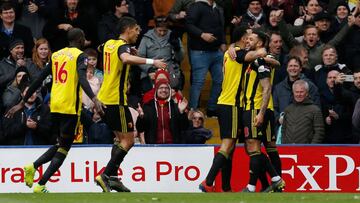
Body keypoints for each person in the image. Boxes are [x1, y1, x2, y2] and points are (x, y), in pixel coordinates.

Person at [5, 28, 104, 193]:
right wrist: (94, 98)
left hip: (54, 105)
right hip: (69, 106)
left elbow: (39, 78)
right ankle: (40, 182)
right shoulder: (81, 56)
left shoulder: (57, 55)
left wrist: (23, 101)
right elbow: (81, 78)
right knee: (64, 147)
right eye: (84, 38)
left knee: (61, 143)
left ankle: (34, 168)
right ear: (79, 40)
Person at [95, 16, 167, 193]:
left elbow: (100, 48)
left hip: (103, 99)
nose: (138, 31)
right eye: (136, 29)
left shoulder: (108, 44)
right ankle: (105, 175)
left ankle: (113, 179)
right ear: (127, 29)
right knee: (129, 140)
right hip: (115, 100)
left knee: (120, 140)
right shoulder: (122, 46)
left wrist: (128, 52)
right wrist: (152, 61)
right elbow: (126, 58)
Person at [199, 26, 258, 193]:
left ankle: (225, 187)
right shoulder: (237, 53)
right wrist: (262, 50)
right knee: (227, 144)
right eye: (248, 36)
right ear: (243, 38)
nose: (249, 39)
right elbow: (250, 55)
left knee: (230, 149)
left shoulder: (230, 52)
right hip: (231, 103)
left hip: (227, 103)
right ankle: (208, 182)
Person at [241, 31, 284, 193]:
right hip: (265, 108)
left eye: (251, 39)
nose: (247, 41)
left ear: (259, 44)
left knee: (253, 148)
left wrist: (260, 114)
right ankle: (274, 184)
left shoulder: (259, 61)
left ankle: (267, 182)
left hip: (256, 108)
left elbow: (267, 88)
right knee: (270, 147)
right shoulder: (257, 60)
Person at [186, 0, 226, 117]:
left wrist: (223, 42)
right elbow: (188, 25)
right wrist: (202, 34)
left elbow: (221, 27)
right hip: (200, 52)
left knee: (220, 81)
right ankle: (192, 111)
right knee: (198, 82)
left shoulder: (217, 8)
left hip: (216, 51)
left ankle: (212, 109)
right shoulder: (196, 6)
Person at [138, 16, 184, 92]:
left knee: (174, 90)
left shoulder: (173, 36)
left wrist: (177, 48)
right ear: (155, 27)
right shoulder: (147, 37)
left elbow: (180, 58)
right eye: (160, 30)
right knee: (148, 91)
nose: (162, 33)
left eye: (164, 31)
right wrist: (149, 69)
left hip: (169, 70)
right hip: (151, 70)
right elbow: (139, 58)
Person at [136, 79, 188, 144]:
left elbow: (185, 127)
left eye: (166, 88)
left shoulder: (176, 106)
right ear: (156, 90)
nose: (164, 90)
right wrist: (141, 117)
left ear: (169, 91)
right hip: (153, 146)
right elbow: (140, 128)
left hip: (173, 146)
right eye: (161, 88)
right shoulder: (148, 106)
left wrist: (181, 113)